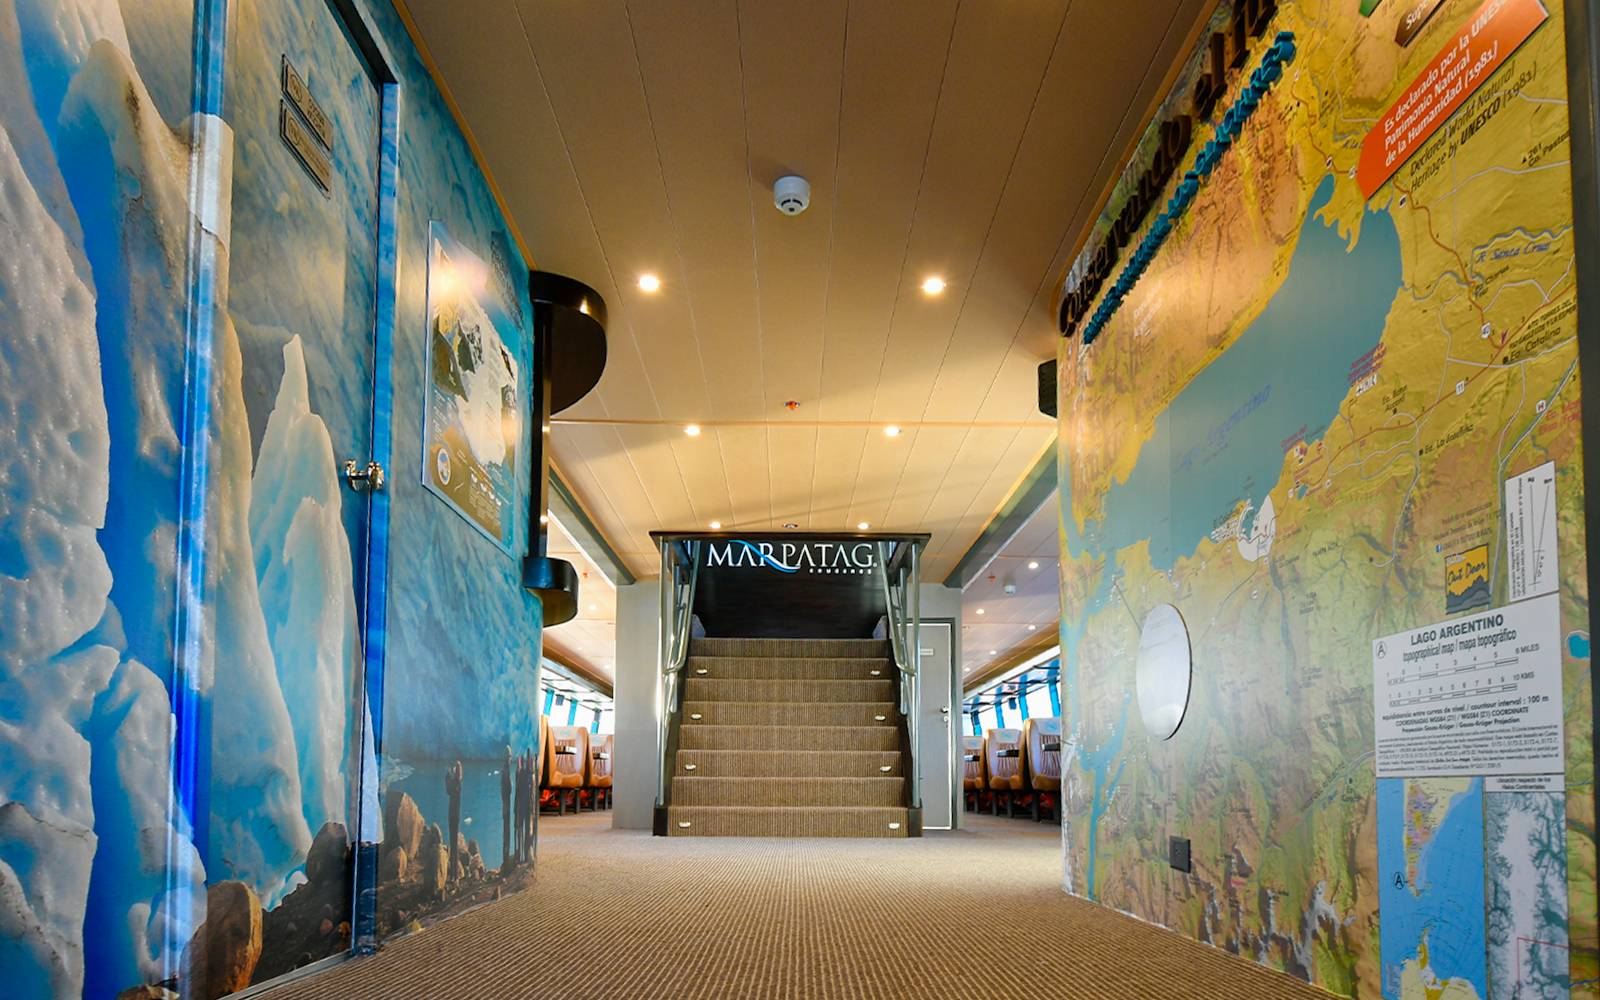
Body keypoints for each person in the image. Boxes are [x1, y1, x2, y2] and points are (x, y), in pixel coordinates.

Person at [445, 760, 463, 884]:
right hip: (455, 815)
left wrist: (448, 775)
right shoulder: (458, 784)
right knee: (454, 844)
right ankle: (454, 875)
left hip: (453, 814)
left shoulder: (456, 785)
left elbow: (449, 789)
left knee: (453, 843)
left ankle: (453, 875)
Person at [501, 745, 513, 867]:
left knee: (507, 831)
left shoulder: (505, 770)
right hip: (506, 805)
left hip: (506, 804)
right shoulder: (506, 771)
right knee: (506, 831)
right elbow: (505, 789)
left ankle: (505, 858)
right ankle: (505, 860)